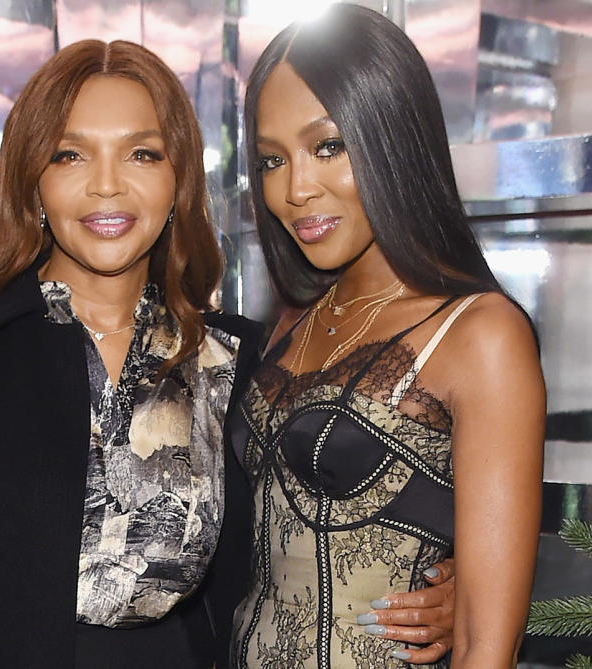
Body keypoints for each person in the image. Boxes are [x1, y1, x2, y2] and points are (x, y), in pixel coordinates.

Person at [0, 37, 457, 669]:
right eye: (70, 154)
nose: (106, 185)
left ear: (177, 178)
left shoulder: (236, 360)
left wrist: (455, 588)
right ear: (33, 180)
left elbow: (313, 537)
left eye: (141, 153)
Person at [229, 5, 545, 668]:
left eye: (327, 146)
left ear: (392, 135)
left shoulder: (480, 334)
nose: (296, 189)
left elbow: (489, 645)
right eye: (270, 160)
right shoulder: (293, 321)